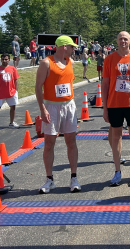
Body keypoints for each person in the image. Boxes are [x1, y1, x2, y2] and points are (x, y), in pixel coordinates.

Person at [35, 36, 80, 193]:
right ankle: (49, 179)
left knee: (71, 141)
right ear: (64, 47)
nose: (74, 49)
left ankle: (74, 178)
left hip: (69, 105)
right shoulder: (46, 63)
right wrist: (43, 110)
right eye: (72, 47)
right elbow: (38, 87)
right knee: (49, 143)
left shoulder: (70, 62)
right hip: (52, 107)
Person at [102, 31, 130, 186]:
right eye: (120, 39)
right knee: (116, 136)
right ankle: (117, 171)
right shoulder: (109, 59)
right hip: (114, 104)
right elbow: (105, 84)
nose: (123, 41)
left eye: (125, 39)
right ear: (117, 41)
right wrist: (105, 107)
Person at [0, 54, 20, 129]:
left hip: (11, 92)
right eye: (3, 59)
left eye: (6, 59)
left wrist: (16, 91)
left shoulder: (12, 69)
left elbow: (16, 80)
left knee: (13, 107)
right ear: (1, 60)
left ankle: (11, 123)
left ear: (9, 60)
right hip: (0, 93)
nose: (4, 61)